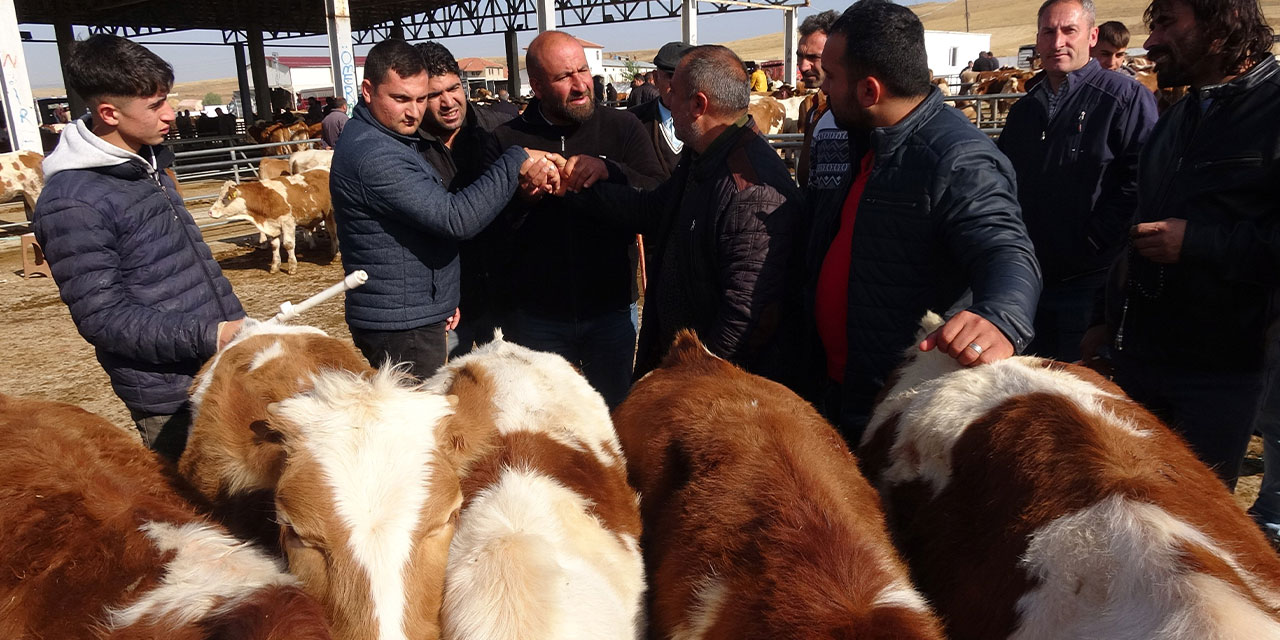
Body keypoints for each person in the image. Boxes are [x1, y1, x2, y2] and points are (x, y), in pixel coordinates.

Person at [807, 0, 1041, 446]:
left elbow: (1006, 251)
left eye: (832, 77)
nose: (824, 90)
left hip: (897, 411)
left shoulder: (956, 158)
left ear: (869, 90)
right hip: (842, 391)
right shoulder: (868, 141)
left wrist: (1000, 316)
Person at [1082, 0, 1280, 488]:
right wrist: (1100, 319)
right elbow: (1138, 226)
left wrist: (1199, 244)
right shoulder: (1177, 117)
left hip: (1220, 374)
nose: (1150, 43)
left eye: (1167, 24)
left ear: (1221, 25)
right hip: (1137, 361)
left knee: (1190, 534)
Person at [32, 34, 245, 462]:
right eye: (154, 106)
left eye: (166, 99)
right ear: (109, 113)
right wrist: (212, 333)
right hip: (170, 395)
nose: (170, 115)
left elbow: (182, 267)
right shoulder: (72, 201)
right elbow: (104, 318)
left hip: (214, 369)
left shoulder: (146, 166)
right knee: (195, 515)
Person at [331, 39, 562, 380]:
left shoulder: (392, 137)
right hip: (404, 325)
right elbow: (456, 218)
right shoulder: (375, 154)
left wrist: (442, 298)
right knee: (426, 422)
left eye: (419, 98)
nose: (413, 111)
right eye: (401, 99)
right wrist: (516, 158)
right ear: (367, 90)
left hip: (429, 308)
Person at [581, 45, 804, 383]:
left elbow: (744, 316)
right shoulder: (704, 157)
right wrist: (596, 178)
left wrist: (690, 382)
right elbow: (655, 210)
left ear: (699, 105)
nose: (666, 101)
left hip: (719, 394)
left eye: (674, 94)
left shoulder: (750, 188)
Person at [494, 31, 664, 407]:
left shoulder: (623, 129)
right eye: (563, 77)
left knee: (614, 415)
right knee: (546, 422)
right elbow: (488, 226)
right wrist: (521, 196)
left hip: (610, 311)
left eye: (582, 70)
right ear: (537, 86)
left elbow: (656, 201)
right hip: (536, 317)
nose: (579, 84)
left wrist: (609, 171)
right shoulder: (506, 140)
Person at [997, 0, 1157, 363]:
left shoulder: (1125, 98)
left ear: (1092, 36)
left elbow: (1140, 180)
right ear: (1037, 40)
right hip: (1030, 278)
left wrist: (1094, 241)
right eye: (1048, 32)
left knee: (1078, 384)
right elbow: (1004, 180)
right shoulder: (1025, 109)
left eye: (1069, 31)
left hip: (1091, 282)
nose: (1057, 42)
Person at [411, 41, 512, 359]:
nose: (448, 102)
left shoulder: (500, 130)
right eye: (434, 95)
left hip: (508, 293)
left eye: (453, 88)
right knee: (447, 393)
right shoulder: (407, 149)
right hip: (447, 306)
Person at [793, 9, 844, 189]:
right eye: (800, 57)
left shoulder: (855, 114)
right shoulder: (815, 110)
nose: (803, 67)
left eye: (813, 57)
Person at [629, 41, 692, 179]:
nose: (676, 85)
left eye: (684, 78)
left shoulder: (711, 123)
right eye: (671, 76)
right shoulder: (633, 121)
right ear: (656, 78)